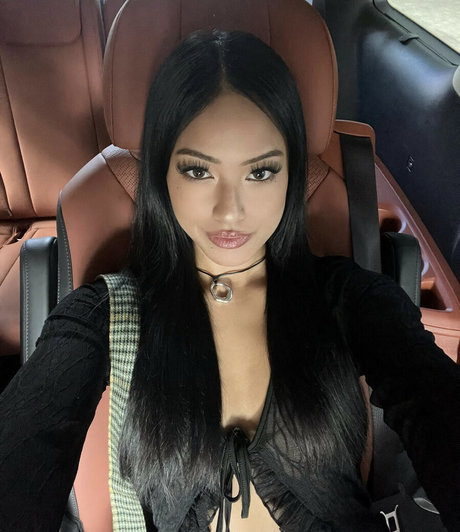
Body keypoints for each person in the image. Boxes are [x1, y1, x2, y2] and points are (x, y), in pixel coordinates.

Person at [0, 29, 459, 532]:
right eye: (198, 171)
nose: (230, 212)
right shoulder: (105, 317)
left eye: (260, 173)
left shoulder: (352, 300)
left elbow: (435, 405)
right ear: (162, 173)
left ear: (291, 173)